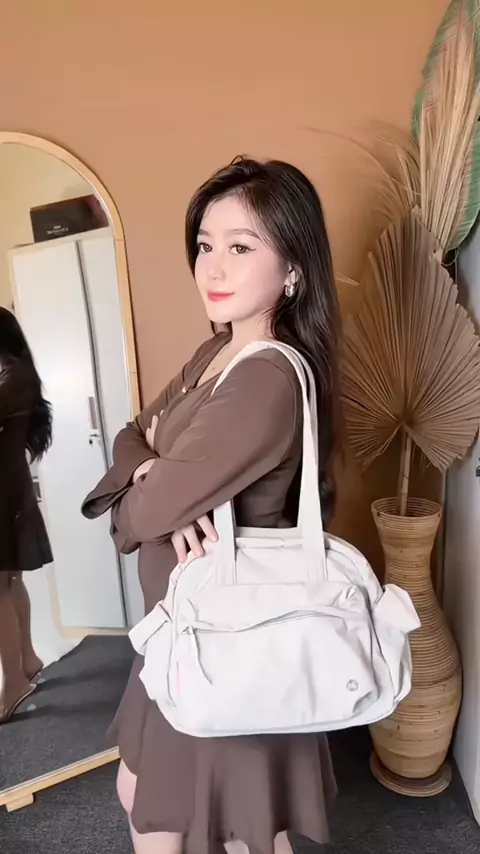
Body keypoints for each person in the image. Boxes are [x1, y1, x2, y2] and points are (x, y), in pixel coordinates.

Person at [82, 157, 340, 854]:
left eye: (241, 247)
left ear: (293, 269)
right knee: (177, 812)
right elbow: (129, 437)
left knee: (215, 828)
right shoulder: (216, 352)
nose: (212, 267)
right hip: (182, 631)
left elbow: (138, 519)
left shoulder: (266, 380)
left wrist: (147, 493)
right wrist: (150, 472)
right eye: (204, 245)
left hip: (225, 639)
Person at [0, 307, 53, 723]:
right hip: (8, 486)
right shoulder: (12, 372)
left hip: (4, 490)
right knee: (9, 580)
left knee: (1, 585)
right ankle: (28, 660)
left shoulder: (13, 376)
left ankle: (14, 683)